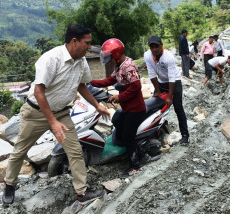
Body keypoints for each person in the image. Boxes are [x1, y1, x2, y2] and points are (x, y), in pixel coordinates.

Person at [2, 24, 110, 205]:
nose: (89, 47)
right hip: (35, 113)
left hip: (61, 113)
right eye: (87, 43)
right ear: (74, 41)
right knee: (20, 150)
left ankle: (81, 193)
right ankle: (9, 185)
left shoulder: (81, 61)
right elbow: (38, 92)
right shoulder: (51, 59)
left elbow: (82, 85)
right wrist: (52, 122)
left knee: (75, 151)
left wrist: (97, 106)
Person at [89, 38, 150, 177]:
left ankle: (135, 165)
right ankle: (142, 154)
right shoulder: (119, 66)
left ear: (116, 55)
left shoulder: (128, 66)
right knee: (118, 123)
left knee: (128, 137)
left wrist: (119, 97)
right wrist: (90, 82)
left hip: (136, 109)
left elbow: (136, 86)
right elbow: (109, 80)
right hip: (128, 108)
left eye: (110, 57)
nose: (109, 60)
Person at [144, 35, 190, 144]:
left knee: (178, 108)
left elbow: (172, 77)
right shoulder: (147, 55)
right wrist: (157, 91)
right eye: (152, 47)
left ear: (161, 45)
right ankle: (158, 131)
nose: (154, 49)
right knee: (157, 107)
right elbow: (151, 74)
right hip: (160, 82)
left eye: (156, 46)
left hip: (175, 82)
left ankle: (185, 135)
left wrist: (170, 97)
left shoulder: (168, 57)